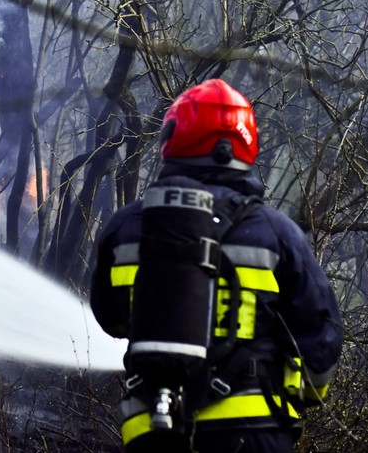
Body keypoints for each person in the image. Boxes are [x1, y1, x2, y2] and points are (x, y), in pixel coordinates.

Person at [90, 79, 344, 452]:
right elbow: (321, 332)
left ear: (173, 136)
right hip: (253, 431)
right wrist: (301, 391)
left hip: (154, 430)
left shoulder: (125, 227)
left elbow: (109, 318)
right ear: (244, 142)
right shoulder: (277, 234)